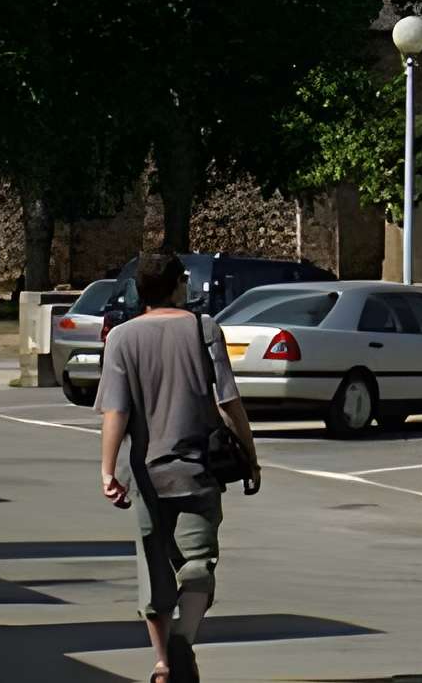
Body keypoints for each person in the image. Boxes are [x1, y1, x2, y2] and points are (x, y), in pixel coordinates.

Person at [95, 251, 260, 683]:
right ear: (178, 285)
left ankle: (163, 664)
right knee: (199, 565)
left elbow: (116, 411)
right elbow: (228, 400)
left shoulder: (122, 339)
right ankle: (183, 639)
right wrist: (251, 452)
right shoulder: (204, 329)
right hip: (196, 470)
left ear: (139, 290)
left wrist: (107, 470)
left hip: (144, 477)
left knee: (154, 575)